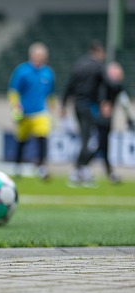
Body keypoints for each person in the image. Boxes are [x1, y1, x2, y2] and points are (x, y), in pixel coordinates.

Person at [77, 61, 133, 184]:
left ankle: (108, 173)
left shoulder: (116, 86)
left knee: (104, 147)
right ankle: (81, 166)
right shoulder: (103, 85)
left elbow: (123, 101)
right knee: (101, 146)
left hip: (106, 120)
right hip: (99, 119)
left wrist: (129, 118)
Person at [7, 42, 56, 180]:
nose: (40, 58)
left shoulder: (48, 73)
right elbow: (13, 91)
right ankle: (18, 166)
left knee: (42, 138)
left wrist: (53, 107)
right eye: (38, 55)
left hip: (41, 112)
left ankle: (41, 167)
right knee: (21, 141)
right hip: (24, 112)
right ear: (32, 55)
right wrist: (15, 106)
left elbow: (50, 94)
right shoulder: (22, 71)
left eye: (43, 56)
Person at [61, 41, 106, 187]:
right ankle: (78, 170)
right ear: (98, 51)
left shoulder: (79, 65)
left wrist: (63, 104)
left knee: (86, 138)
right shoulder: (98, 66)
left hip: (77, 106)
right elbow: (108, 84)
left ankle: (81, 169)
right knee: (88, 139)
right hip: (88, 106)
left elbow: (69, 85)